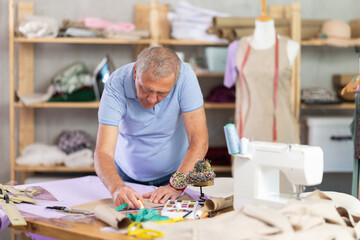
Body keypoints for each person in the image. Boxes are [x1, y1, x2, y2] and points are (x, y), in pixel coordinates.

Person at [94, 47, 209, 209]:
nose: (152, 99)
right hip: (125, 176)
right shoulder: (116, 83)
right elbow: (103, 151)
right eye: (146, 89)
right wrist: (116, 187)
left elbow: (199, 140)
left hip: (177, 173)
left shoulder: (185, 77)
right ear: (135, 73)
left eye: (162, 93)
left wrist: (177, 185)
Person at [223, 8, 300, 143]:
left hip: (281, 128)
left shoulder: (290, 46)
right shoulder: (236, 47)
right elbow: (228, 82)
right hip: (247, 129)